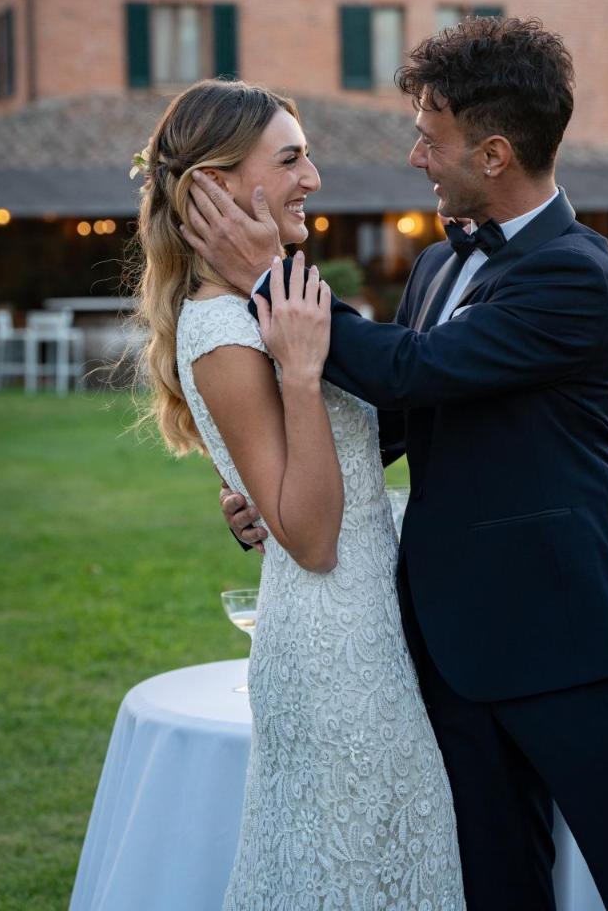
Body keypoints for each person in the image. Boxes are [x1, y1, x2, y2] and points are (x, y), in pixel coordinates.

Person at [183, 17, 608, 911]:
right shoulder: (435, 266)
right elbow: (399, 418)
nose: (416, 156)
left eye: (432, 139)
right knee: (500, 892)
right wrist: (274, 492)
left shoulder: (579, 275)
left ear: (494, 154)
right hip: (452, 653)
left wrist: (272, 278)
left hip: (574, 644)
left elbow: (415, 370)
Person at [131, 78, 465, 911]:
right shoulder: (222, 329)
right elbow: (312, 539)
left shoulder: (265, 305)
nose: (312, 178)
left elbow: (330, 472)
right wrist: (304, 375)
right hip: (332, 653)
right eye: (289, 160)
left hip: (373, 629)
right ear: (216, 186)